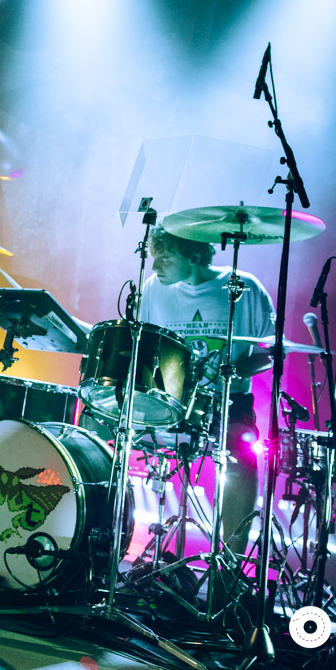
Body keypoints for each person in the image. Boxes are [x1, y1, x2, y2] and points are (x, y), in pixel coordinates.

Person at [139, 227, 274, 555]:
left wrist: (234, 371)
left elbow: (271, 351)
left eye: (165, 258)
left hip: (229, 402)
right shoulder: (153, 289)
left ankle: (231, 561)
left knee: (242, 459)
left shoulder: (243, 286)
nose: (155, 266)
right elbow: (144, 344)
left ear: (194, 256)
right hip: (171, 399)